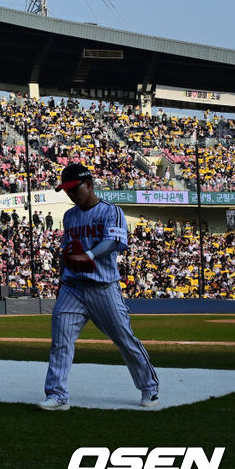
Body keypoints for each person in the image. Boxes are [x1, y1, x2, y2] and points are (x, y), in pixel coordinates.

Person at [37, 163, 160, 411]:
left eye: (74, 188)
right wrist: (61, 280)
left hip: (103, 287)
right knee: (61, 340)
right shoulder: (70, 216)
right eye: (67, 190)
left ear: (89, 185)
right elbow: (67, 251)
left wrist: (90, 256)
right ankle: (57, 394)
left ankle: (150, 389)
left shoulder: (110, 211)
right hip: (73, 287)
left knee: (124, 339)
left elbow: (114, 242)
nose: (71, 194)